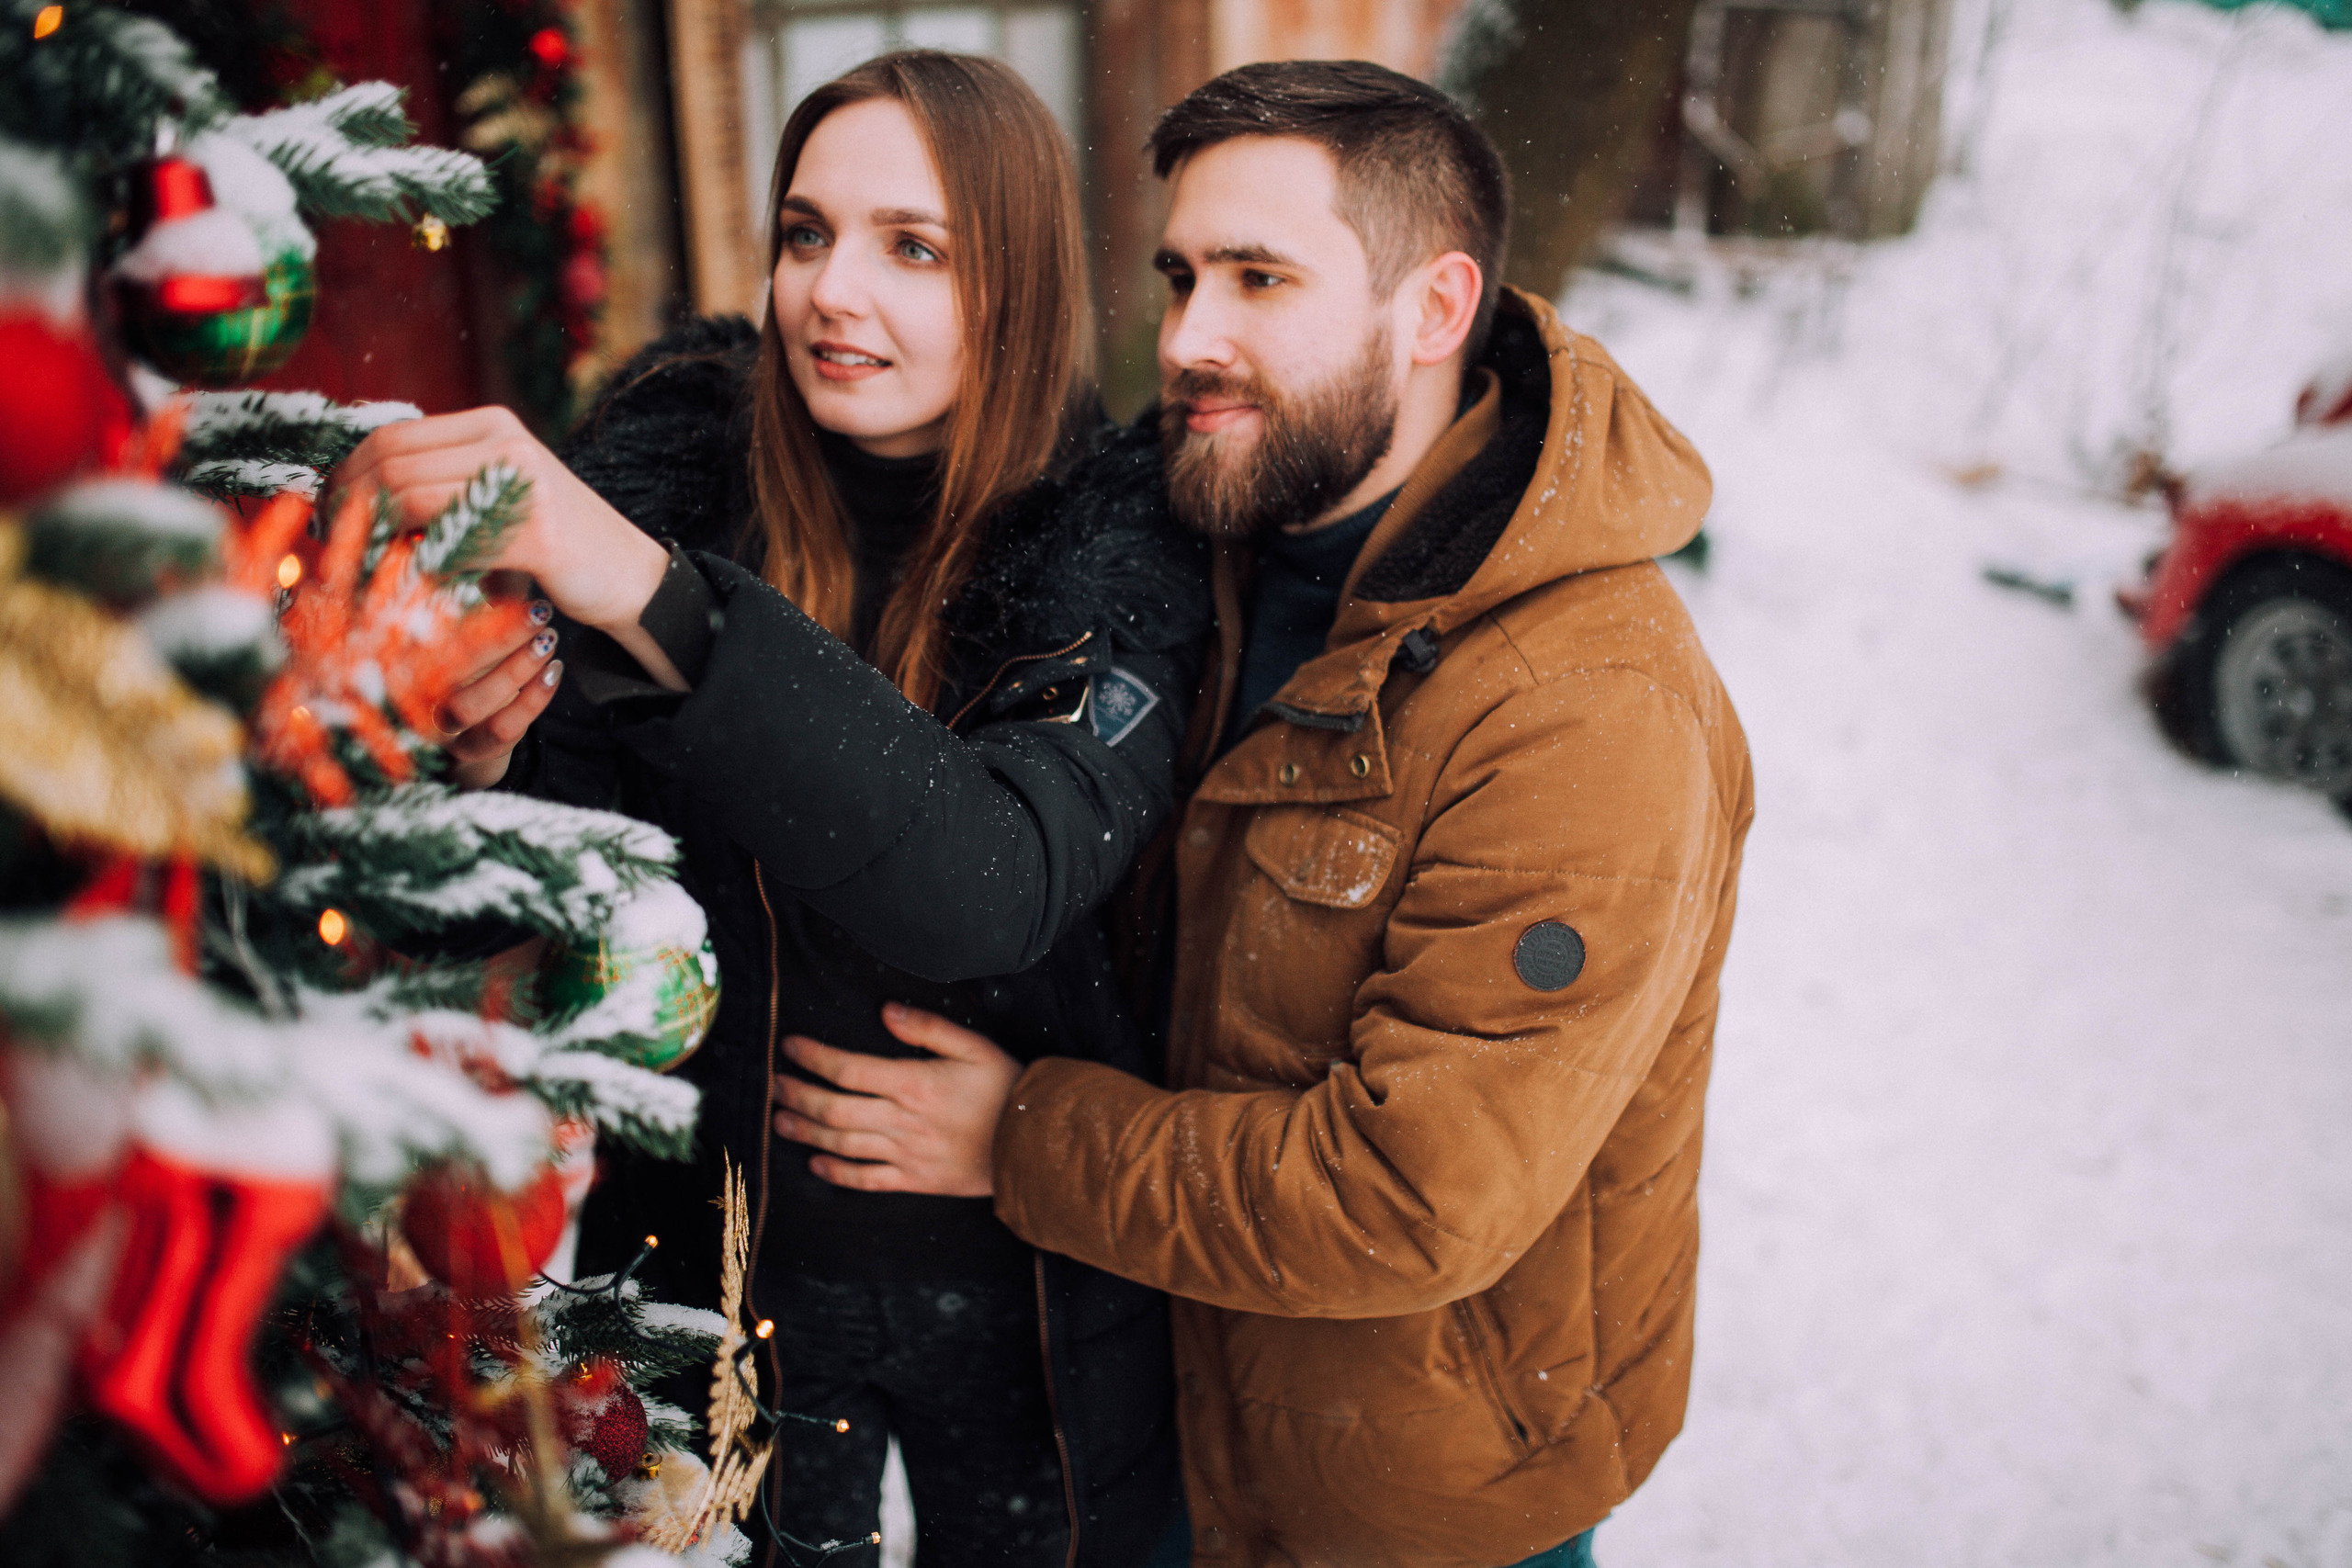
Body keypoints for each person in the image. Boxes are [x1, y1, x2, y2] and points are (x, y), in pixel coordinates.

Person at [767, 60, 1756, 1568]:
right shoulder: (1205, 545)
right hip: (1162, 1417)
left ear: (1434, 310)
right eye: (1177, 277)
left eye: (1258, 279)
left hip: (1412, 1498)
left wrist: (1022, 1138)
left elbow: (1411, 1194)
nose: (1186, 341)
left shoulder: (1588, 704)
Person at [336, 51, 1204, 1568]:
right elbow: (560, 884)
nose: (831, 293)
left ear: (1018, 284)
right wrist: (489, 767)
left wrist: (653, 601)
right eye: (805, 235)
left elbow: (993, 877)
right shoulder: (680, 474)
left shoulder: (1113, 542)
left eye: (910, 248)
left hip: (1033, 1301)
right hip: (707, 1272)